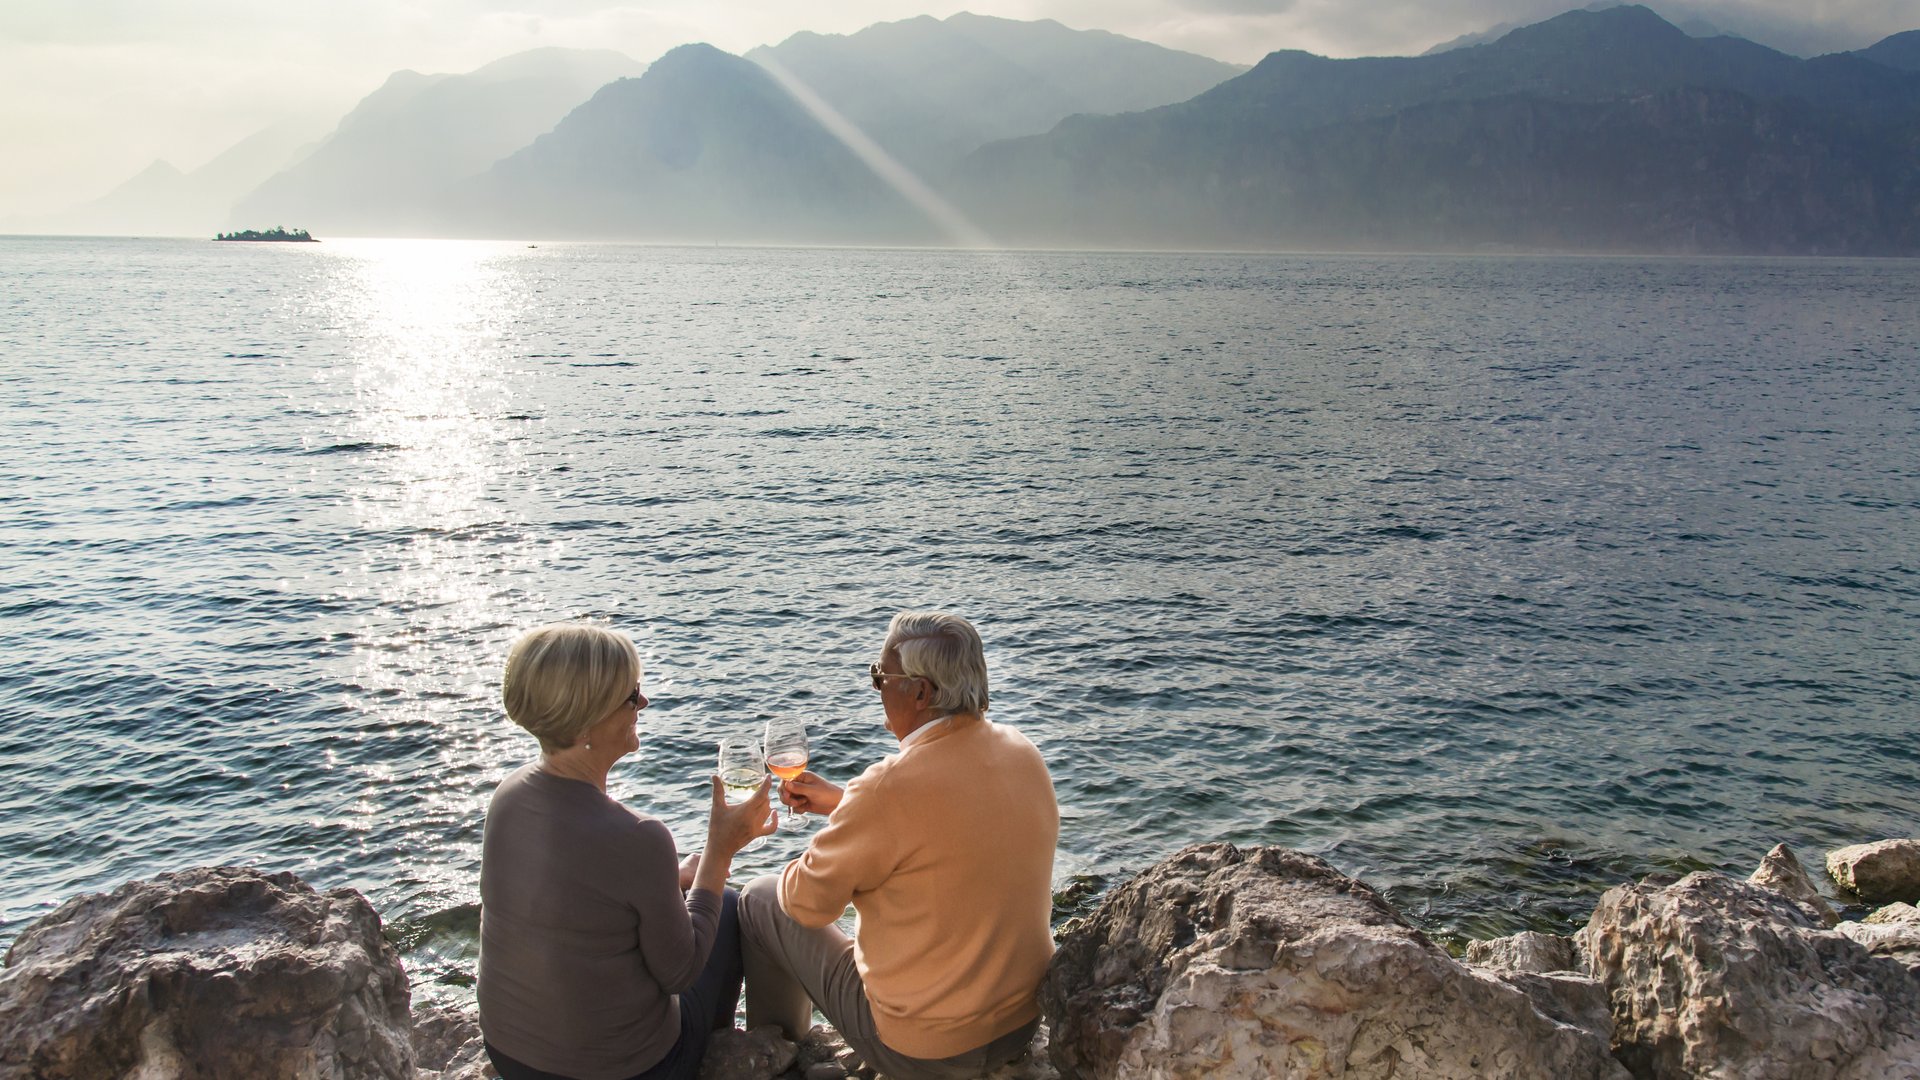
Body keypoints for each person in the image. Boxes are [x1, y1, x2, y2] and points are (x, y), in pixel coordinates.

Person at [738, 611, 1059, 1079]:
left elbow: (807, 906)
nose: (877, 688)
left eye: (880, 676)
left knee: (761, 898)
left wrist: (830, 832)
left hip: (927, 1049)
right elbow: (951, 820)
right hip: (1018, 1026)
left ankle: (778, 1053)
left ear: (921, 692)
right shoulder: (1021, 751)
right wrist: (844, 804)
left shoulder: (887, 788)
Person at [478, 622, 776, 1080]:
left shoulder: (508, 796)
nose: (644, 704)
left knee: (694, 898)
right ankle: (728, 1054)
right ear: (585, 722)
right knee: (731, 906)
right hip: (625, 1071)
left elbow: (577, 889)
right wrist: (719, 853)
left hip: (511, 1056)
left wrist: (667, 877)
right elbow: (681, 973)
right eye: (630, 696)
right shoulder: (640, 837)